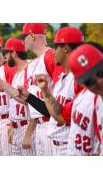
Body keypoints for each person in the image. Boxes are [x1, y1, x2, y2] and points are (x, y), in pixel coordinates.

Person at [27, 26, 84, 155]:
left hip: (70, 146)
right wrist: (45, 90)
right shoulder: (63, 78)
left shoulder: (80, 80)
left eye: (56, 47)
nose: (53, 52)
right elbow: (55, 112)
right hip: (56, 144)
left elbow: (61, 118)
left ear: (66, 48)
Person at [17, 23, 64, 155]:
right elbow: (30, 101)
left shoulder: (50, 56)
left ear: (32, 36)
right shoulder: (32, 64)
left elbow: (63, 96)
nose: (22, 41)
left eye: (24, 37)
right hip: (38, 125)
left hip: (52, 122)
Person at [0, 38, 36, 156]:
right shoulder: (16, 75)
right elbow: (14, 103)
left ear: (14, 53)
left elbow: (34, 106)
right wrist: (12, 124)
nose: (4, 56)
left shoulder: (30, 72)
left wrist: (28, 134)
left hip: (27, 127)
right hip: (16, 128)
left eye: (6, 53)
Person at [68, 43, 103, 155]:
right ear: (83, 85)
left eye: (101, 72)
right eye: (90, 81)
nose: (99, 81)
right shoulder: (99, 102)